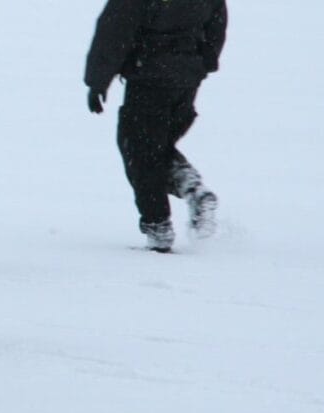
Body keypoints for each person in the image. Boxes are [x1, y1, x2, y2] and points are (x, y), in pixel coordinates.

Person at [85, 0, 227, 252]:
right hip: (186, 78)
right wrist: (203, 60)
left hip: (150, 76)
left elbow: (115, 28)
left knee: (140, 153)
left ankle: (158, 226)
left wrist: (98, 81)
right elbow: (217, 19)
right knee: (153, 149)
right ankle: (192, 190)